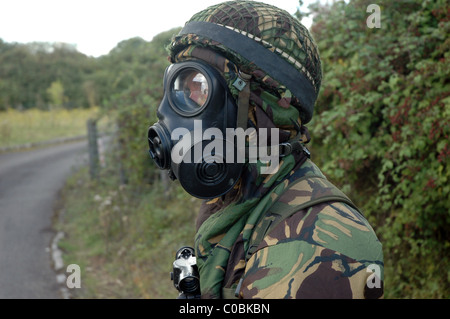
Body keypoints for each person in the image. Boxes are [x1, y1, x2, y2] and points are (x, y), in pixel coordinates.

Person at [148, 0, 384, 299]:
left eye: (200, 86)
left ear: (261, 107)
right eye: (182, 86)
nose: (177, 106)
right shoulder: (241, 196)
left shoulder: (319, 243)